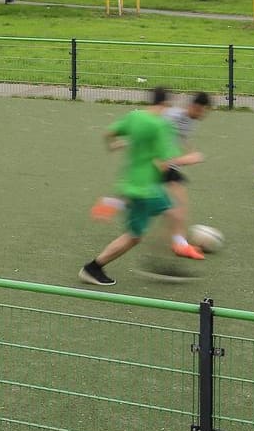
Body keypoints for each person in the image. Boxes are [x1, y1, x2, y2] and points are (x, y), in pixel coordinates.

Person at [80, 88, 206, 286]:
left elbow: (109, 133)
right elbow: (165, 162)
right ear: (165, 104)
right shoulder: (161, 126)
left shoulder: (135, 117)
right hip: (145, 190)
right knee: (134, 236)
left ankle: (114, 205)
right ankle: (93, 267)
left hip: (132, 181)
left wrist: (113, 146)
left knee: (172, 211)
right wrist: (191, 158)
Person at [162, 92, 214, 259]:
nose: (204, 115)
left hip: (166, 164)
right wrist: (186, 159)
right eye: (203, 111)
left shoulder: (191, 120)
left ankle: (111, 203)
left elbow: (181, 136)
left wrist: (189, 149)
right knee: (178, 204)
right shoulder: (172, 118)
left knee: (165, 203)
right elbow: (158, 146)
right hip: (158, 163)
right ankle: (180, 244)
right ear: (195, 107)